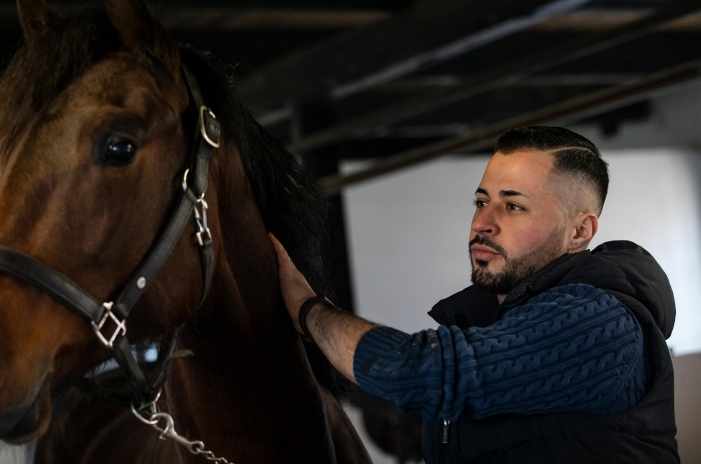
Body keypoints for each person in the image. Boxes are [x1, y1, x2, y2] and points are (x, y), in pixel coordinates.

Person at [270, 126, 679, 464]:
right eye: (482, 201)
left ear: (579, 232)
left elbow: (418, 372)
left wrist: (306, 308)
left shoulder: (602, 323)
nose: (482, 222)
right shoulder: (491, 322)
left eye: (513, 206)